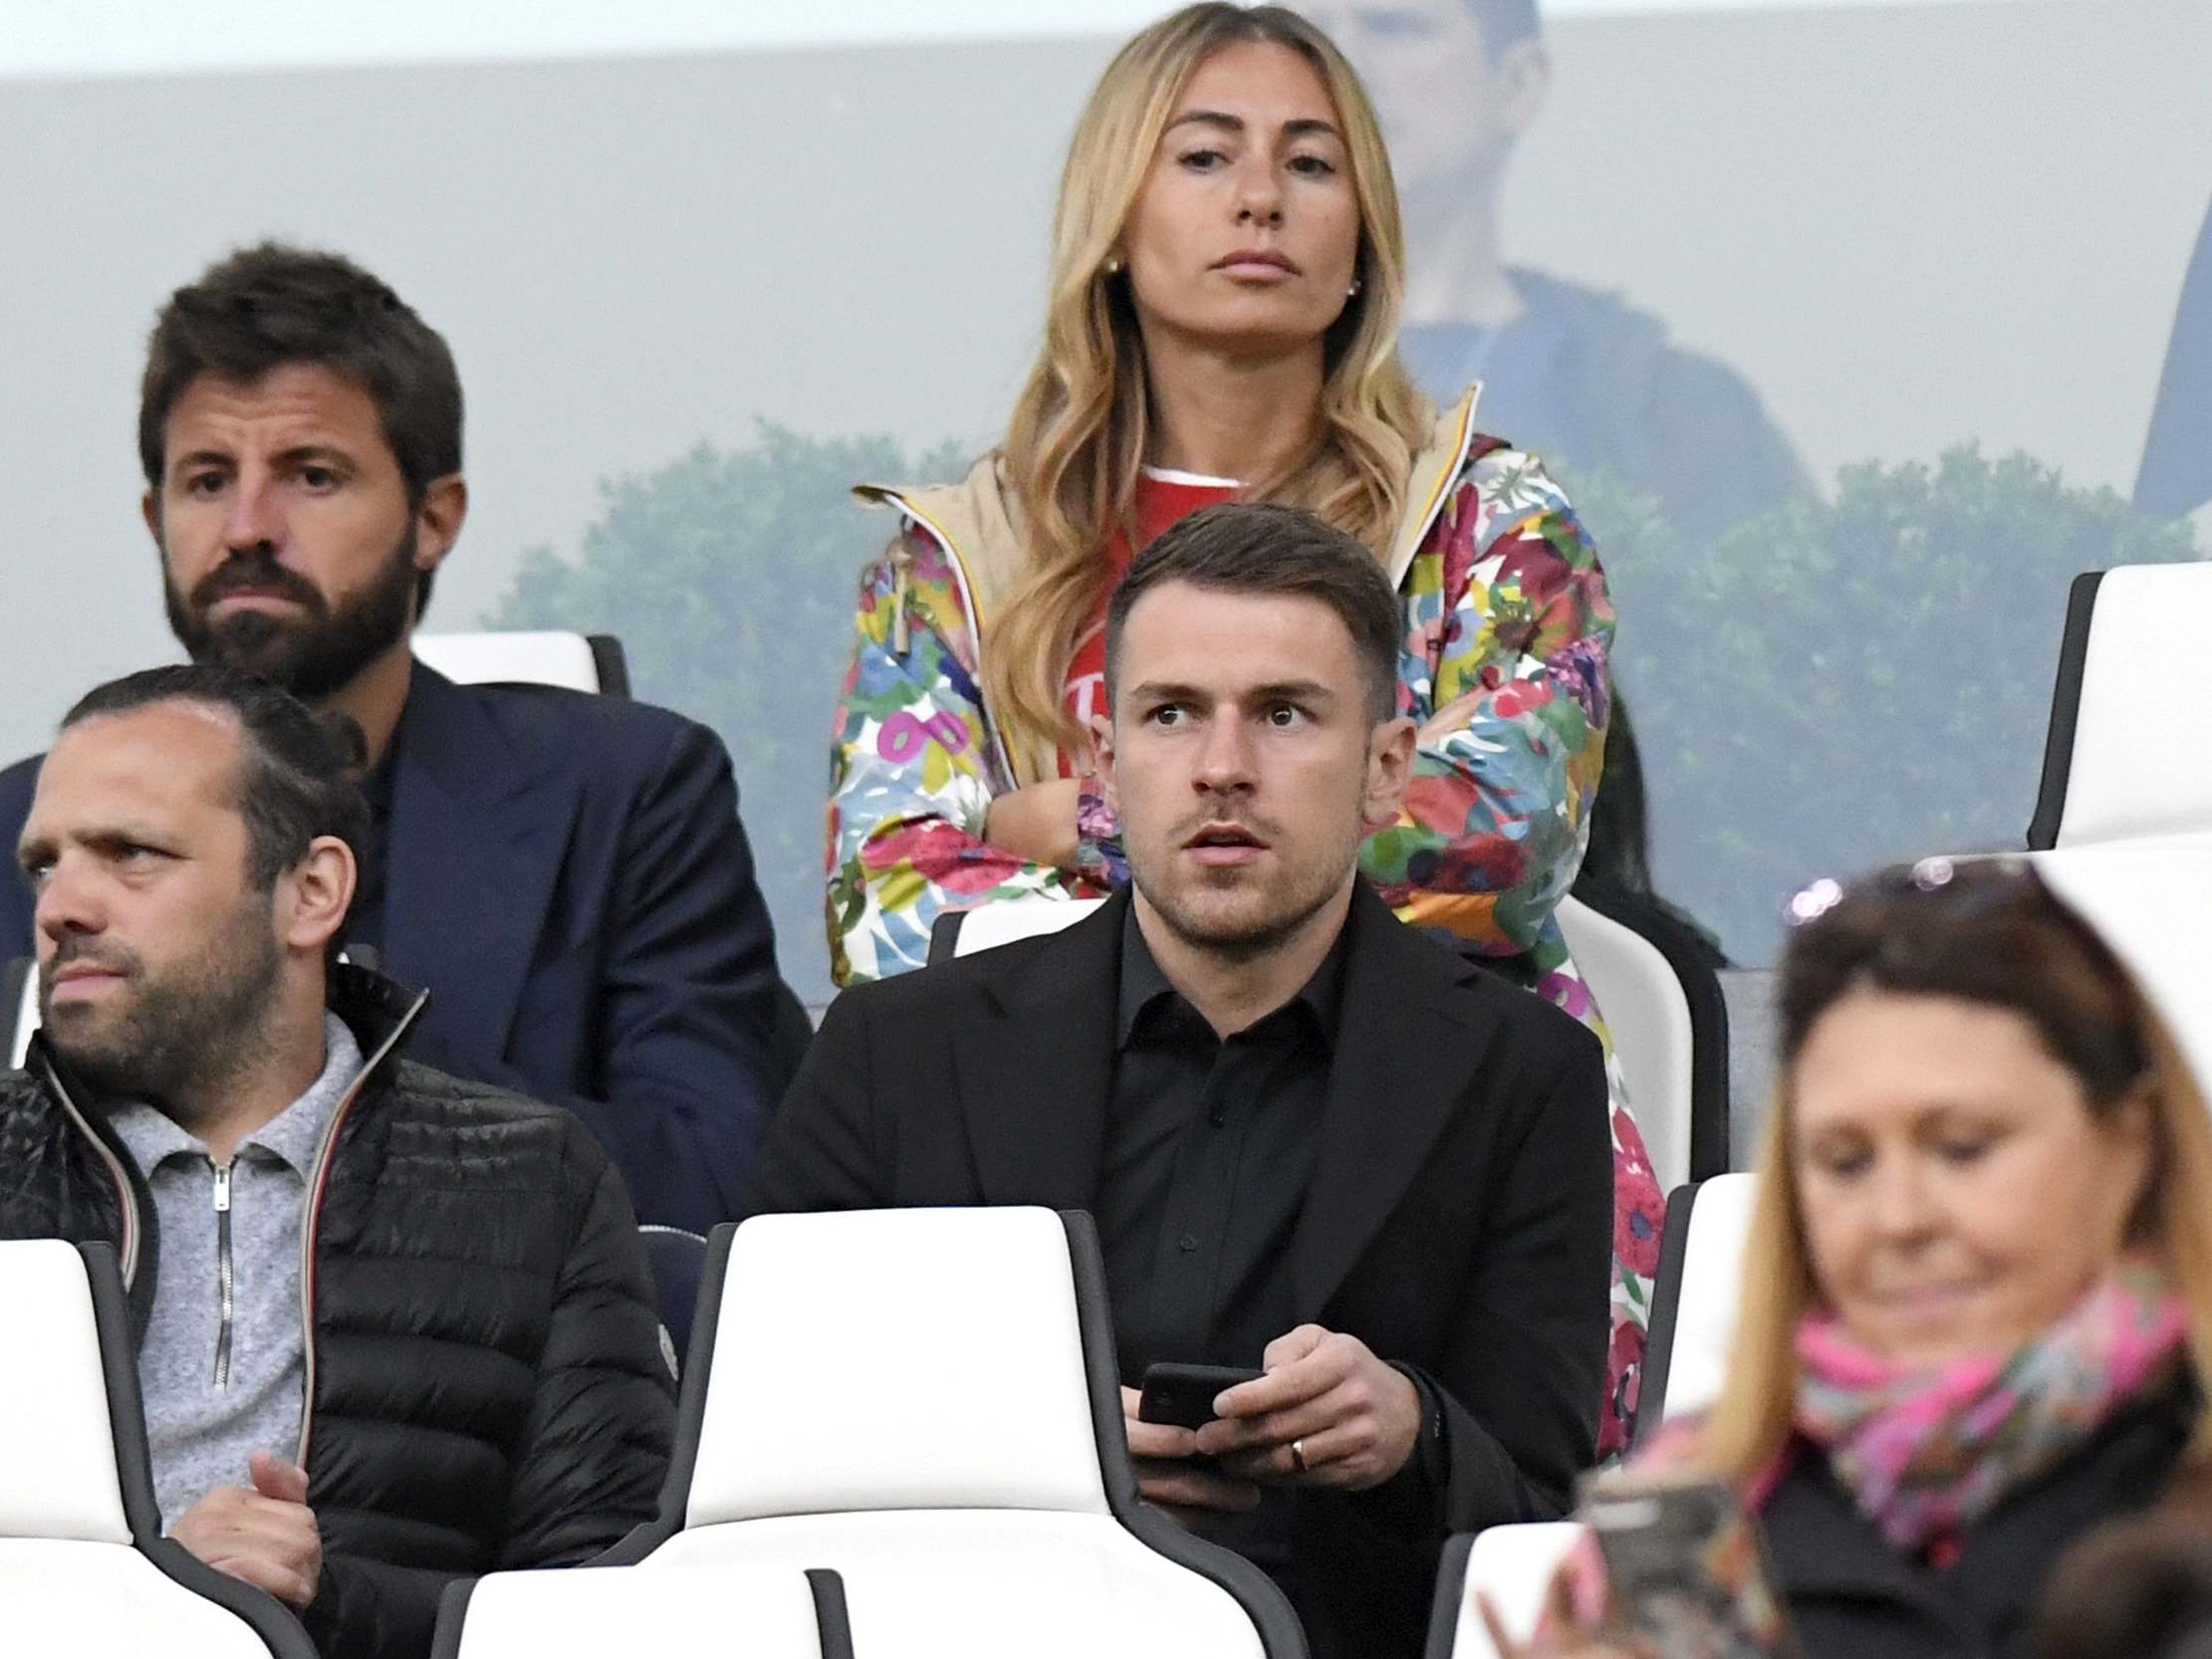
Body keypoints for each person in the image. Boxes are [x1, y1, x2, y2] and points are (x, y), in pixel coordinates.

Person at [828, 0, 1663, 1454]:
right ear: (1113, 215)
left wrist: (1071, 819)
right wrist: (1216, 857)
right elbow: (891, 915)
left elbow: (1495, 849)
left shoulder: (1492, 520)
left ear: (1367, 236)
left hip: (1434, 1120)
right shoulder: (959, 551)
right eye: (1205, 156)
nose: (1260, 198)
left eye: (1312, 163)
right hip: (1054, 1136)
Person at [770, 503, 1615, 1659]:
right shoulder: (897, 1053)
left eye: (1283, 714)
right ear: (1107, 767)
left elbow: (1548, 1522)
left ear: (1383, 771)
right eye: (1172, 715)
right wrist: (1042, 1453)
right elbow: (761, 1444)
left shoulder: (1521, 1074)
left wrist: (1410, 1432)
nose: (1223, 769)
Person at [0, 242, 788, 1233]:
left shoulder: (628, 793)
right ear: (156, 517)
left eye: (311, 475)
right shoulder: (25, 828)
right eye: (206, 481)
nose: (247, 527)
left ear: (433, 518)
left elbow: (718, 1185)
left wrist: (336, 1032)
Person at [0, 663, 674, 1659]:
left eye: (131, 855)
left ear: (310, 892)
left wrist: (332, 1601)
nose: (63, 907)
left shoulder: (530, 1180)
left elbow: (614, 1609)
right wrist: (144, 1600)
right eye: (45, 865)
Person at [1501, 857, 2212, 1659]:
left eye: (1962, 1147)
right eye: (1843, 1161)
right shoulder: (1679, 1529)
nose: (1897, 1218)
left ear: (2128, 1143)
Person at [1304, 0, 1809, 545]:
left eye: (1395, 28)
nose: (1340, 64)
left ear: (1518, 84)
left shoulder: (1682, 413)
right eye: (1307, 33)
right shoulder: (1216, 374)